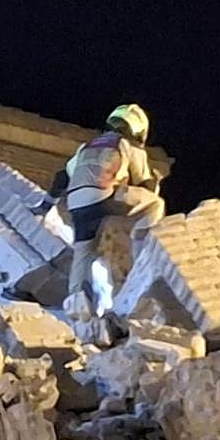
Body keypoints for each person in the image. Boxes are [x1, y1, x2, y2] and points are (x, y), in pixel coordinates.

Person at [63, 103, 165, 313]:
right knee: (156, 203)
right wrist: (154, 181)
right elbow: (144, 183)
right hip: (104, 195)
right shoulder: (127, 145)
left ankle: (75, 303)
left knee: (83, 251)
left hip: (76, 202)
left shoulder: (87, 146)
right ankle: (144, 250)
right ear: (139, 129)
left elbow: (67, 171)